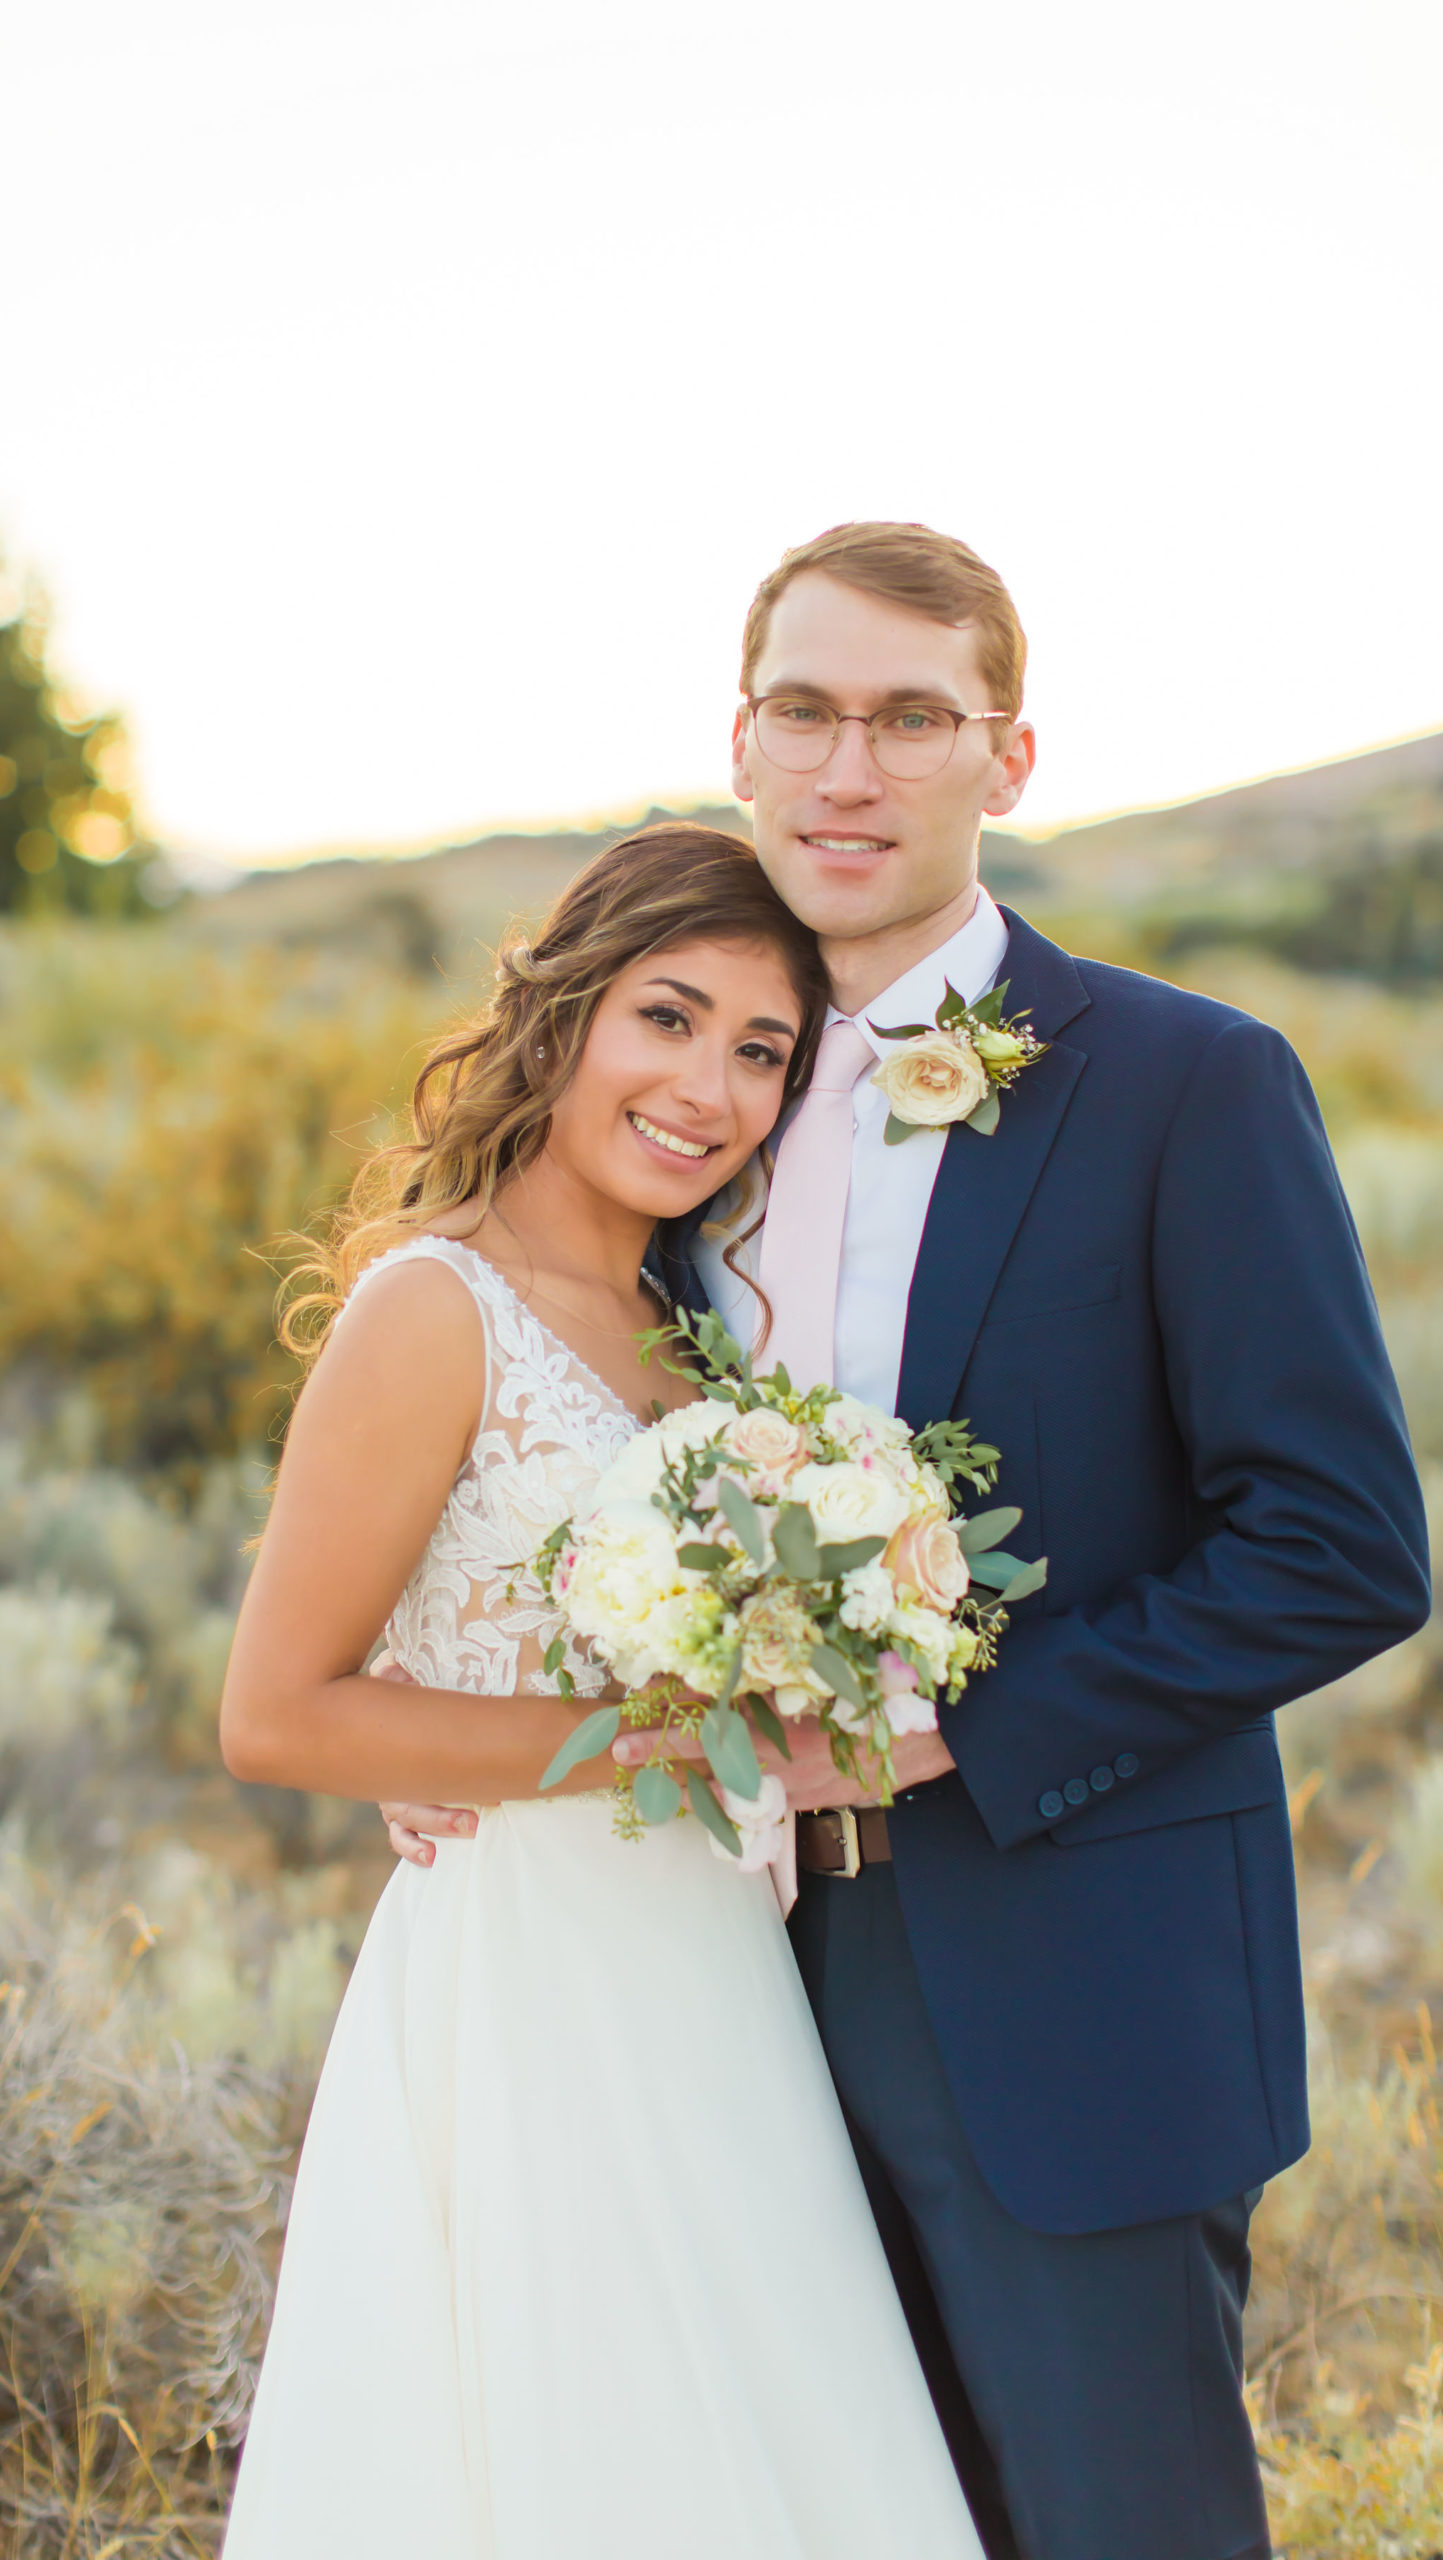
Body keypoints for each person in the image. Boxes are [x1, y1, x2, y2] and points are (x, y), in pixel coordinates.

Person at [385, 523, 1433, 2560]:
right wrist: (473, 1749)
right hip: (719, 1985)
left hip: (1068, 1982)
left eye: (906, 717)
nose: (846, 767)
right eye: (803, 709)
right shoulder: (691, 1104)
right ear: (740, 740)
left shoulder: (1185, 1083)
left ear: (1005, 757)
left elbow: (1336, 1541)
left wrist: (965, 1725)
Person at [217, 824, 985, 2558]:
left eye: (761, 1051)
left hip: (716, 1956)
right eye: (668, 1017)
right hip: (533, 1973)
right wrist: (649, 1740)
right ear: (564, 1015)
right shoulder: (434, 1305)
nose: (706, 1085)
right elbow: (277, 1713)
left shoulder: (693, 1321)